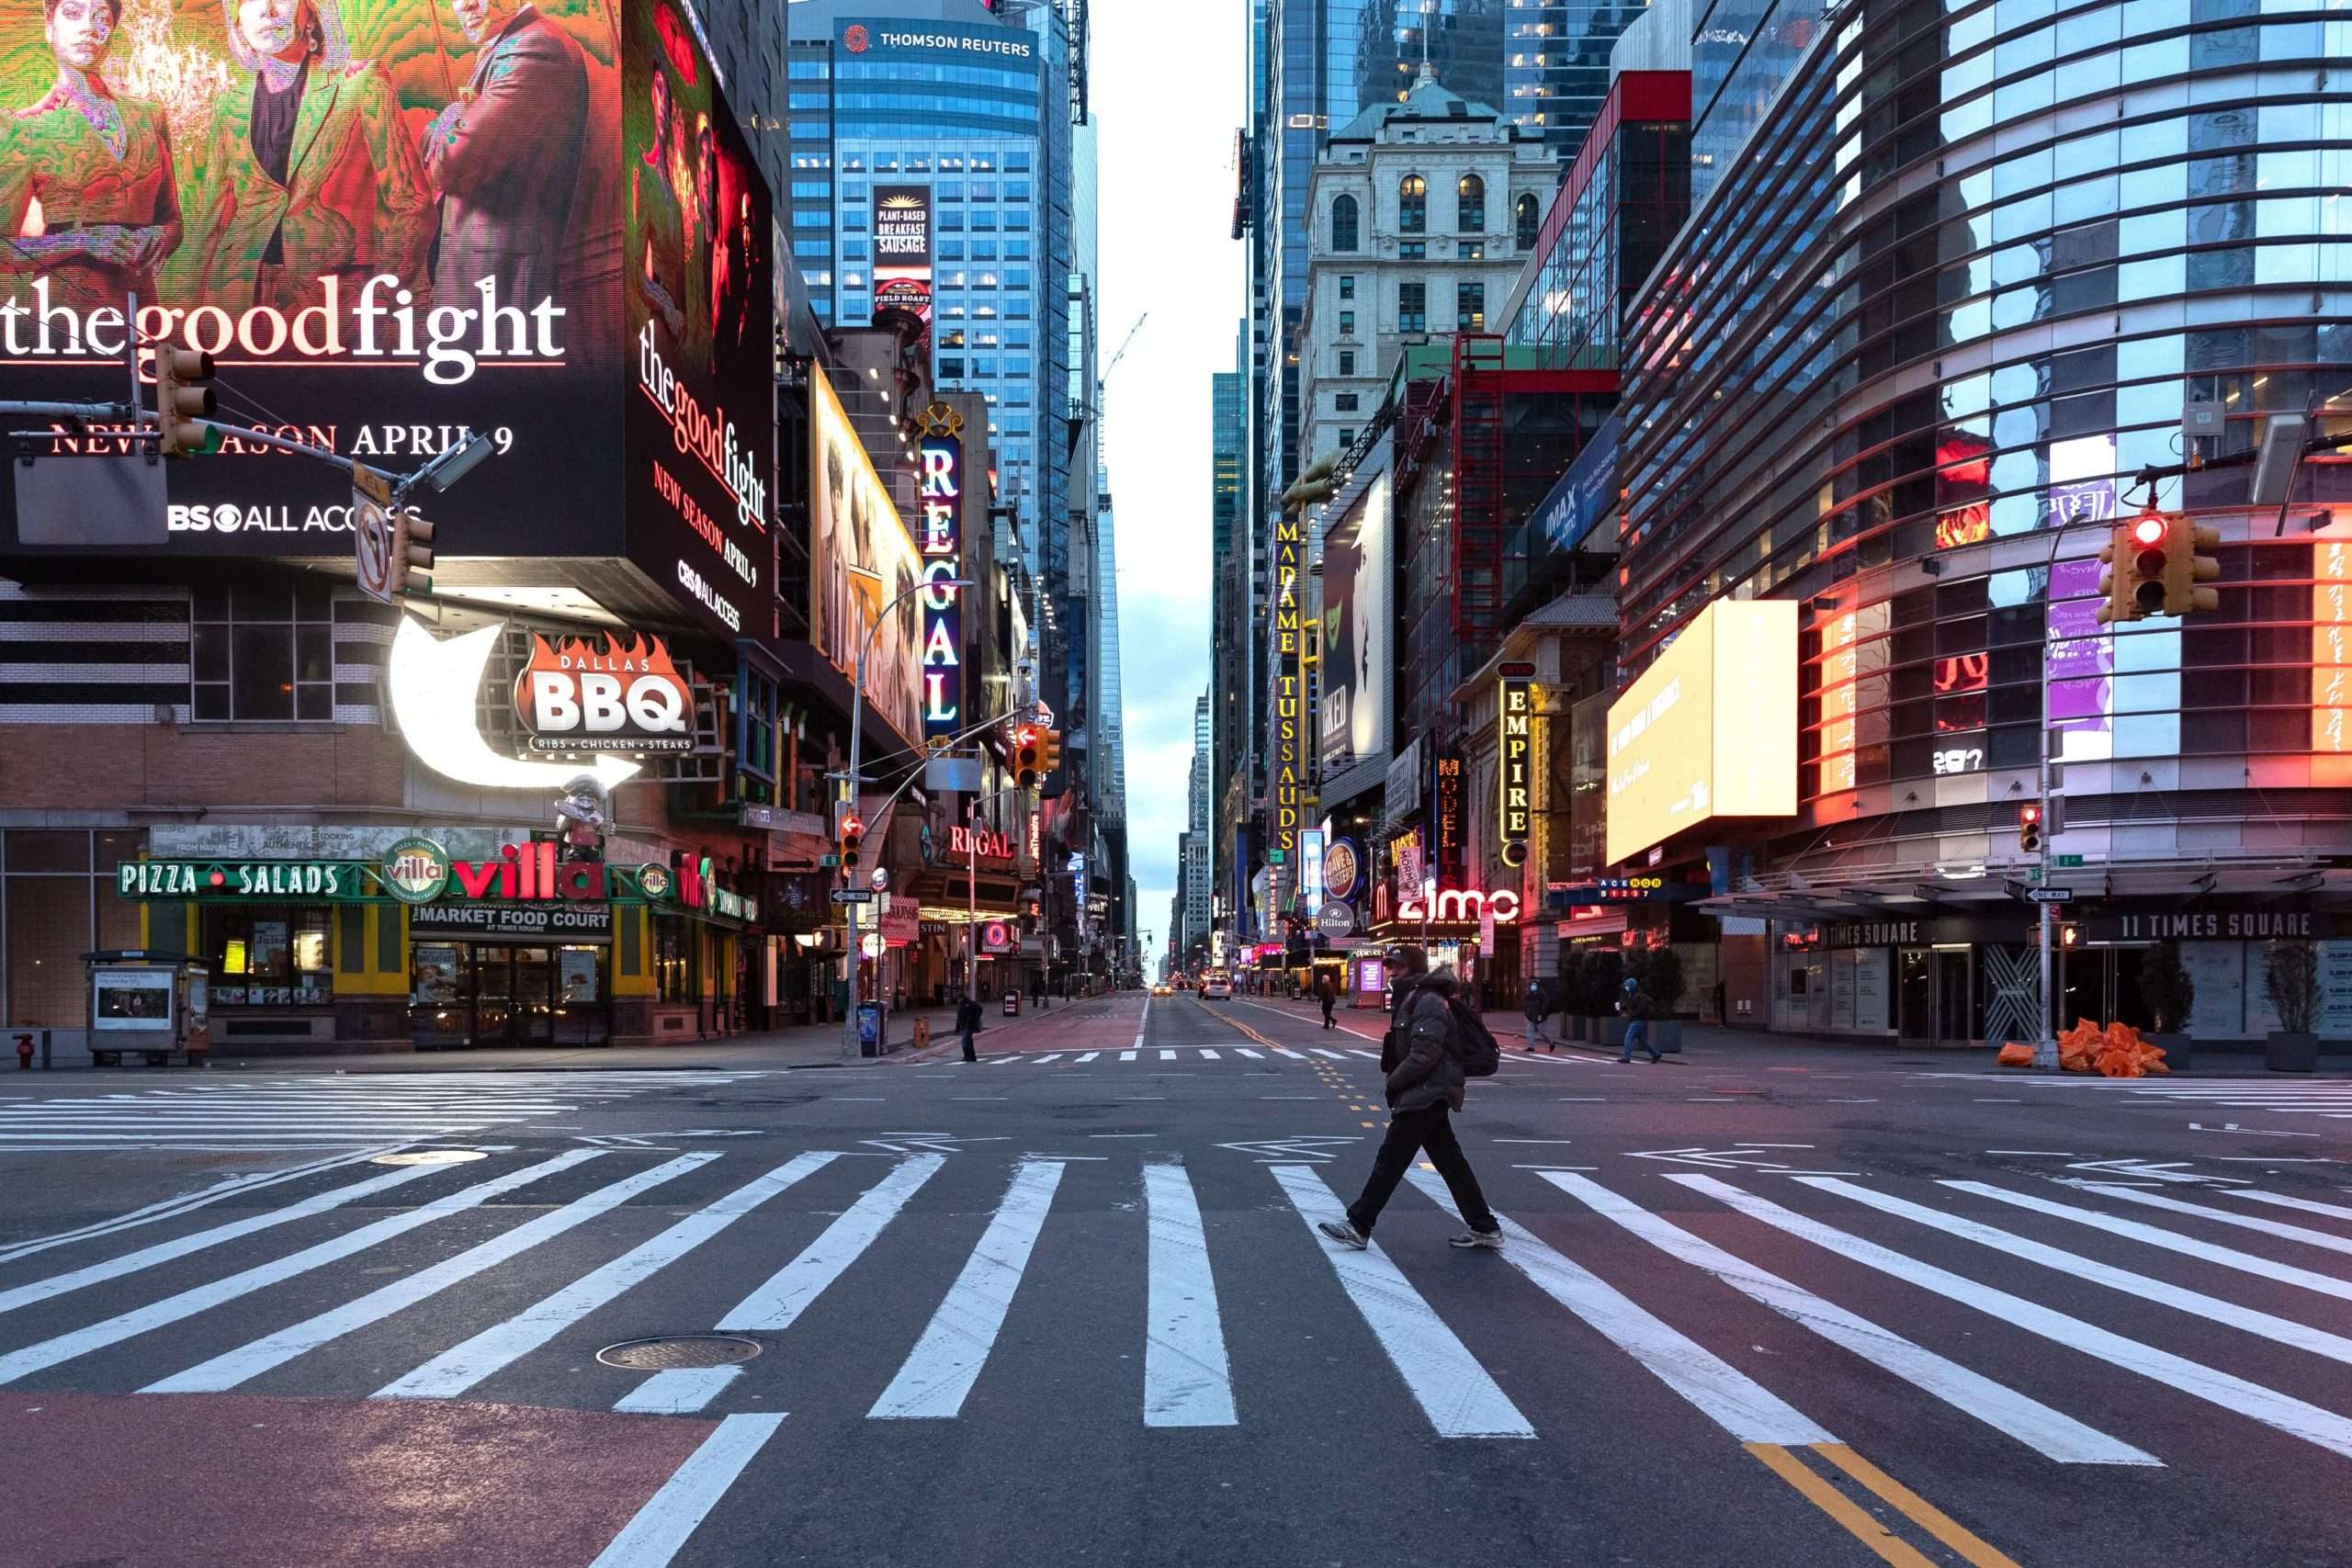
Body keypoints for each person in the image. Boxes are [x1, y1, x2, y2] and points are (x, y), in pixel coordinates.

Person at [182, 0, 433, 314]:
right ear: (237, 22)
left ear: (311, 15)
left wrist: (381, 296)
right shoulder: (226, 106)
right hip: (234, 295)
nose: (267, 10)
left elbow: (411, 203)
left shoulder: (360, 82)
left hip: (335, 296)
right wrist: (184, 312)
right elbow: (210, 219)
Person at [1317, 947, 1503, 1252]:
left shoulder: (1427, 1000)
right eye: (1389, 966)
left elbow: (1425, 1053)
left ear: (1414, 967)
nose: (1392, 972)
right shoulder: (1411, 998)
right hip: (1427, 1089)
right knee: (1449, 1161)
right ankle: (1485, 1226)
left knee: (1391, 1158)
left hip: (1428, 1090)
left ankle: (1359, 1225)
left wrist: (1394, 1083)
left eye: (1398, 966)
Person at [2, 0, 182, 310]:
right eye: (73, 14)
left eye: (102, 18)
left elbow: (173, 220)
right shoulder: (25, 127)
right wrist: (81, 240)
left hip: (140, 304)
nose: (88, 27)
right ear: (49, 27)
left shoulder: (149, 116)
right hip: (65, 310)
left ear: (111, 32)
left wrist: (162, 238)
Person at [423, 0, 591, 314]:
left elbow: (449, 164)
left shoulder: (534, 47)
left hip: (500, 290)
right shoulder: (513, 45)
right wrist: (453, 119)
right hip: (486, 286)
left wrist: (446, 119)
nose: (465, 6)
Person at [1617, 975, 1661, 1064]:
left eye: (1627, 986)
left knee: (1628, 1037)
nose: (1626, 988)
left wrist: (1629, 1015)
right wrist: (1621, 1007)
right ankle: (1655, 1054)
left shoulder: (1638, 996)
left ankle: (1626, 1057)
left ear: (1631, 986)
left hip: (1638, 1020)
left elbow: (1640, 1010)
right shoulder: (1634, 995)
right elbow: (1631, 1006)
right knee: (1641, 1040)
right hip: (1637, 1020)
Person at [1523, 978, 1552, 1050]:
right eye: (1532, 986)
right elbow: (1526, 1004)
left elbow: (1545, 1005)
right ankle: (1531, 1047)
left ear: (1538, 986)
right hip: (1530, 1016)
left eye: (1534, 986)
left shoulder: (1542, 994)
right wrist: (1526, 1014)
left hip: (1539, 1016)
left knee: (1542, 1032)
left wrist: (1541, 1014)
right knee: (1529, 1031)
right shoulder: (1529, 995)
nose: (1533, 987)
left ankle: (1551, 1042)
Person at [956, 991, 982, 1063]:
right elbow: (959, 1017)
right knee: (968, 1041)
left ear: (963, 998)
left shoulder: (970, 1003)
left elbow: (980, 1009)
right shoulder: (960, 1005)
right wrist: (957, 1028)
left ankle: (967, 1056)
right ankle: (972, 1057)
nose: (959, 1000)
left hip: (970, 1025)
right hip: (963, 1026)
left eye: (960, 999)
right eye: (958, 999)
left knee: (965, 1041)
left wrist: (973, 1018)